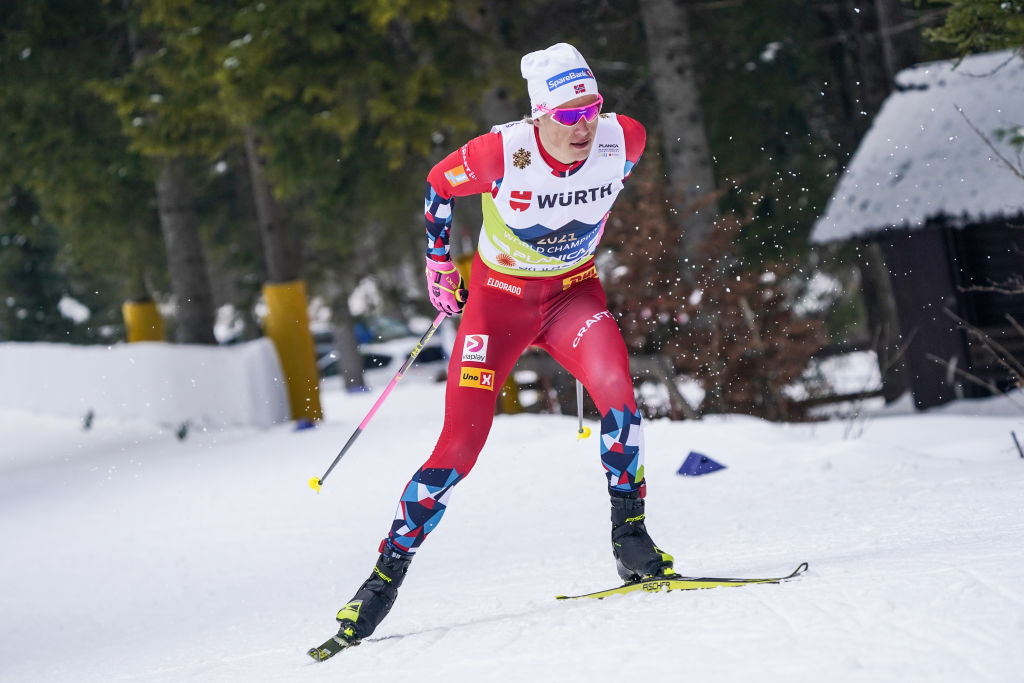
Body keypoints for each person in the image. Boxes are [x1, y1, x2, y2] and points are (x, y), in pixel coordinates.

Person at [309, 42, 674, 661]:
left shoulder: (626, 139)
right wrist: (438, 263)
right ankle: (382, 579)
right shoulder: (503, 152)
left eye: (590, 108)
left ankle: (631, 536)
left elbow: (607, 180)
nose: (582, 124)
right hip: (497, 306)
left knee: (617, 390)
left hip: (571, 299)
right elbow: (436, 185)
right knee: (460, 444)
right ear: (538, 117)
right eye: (565, 114)